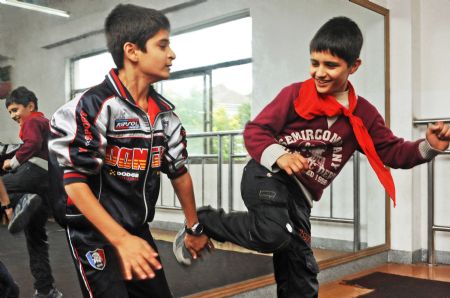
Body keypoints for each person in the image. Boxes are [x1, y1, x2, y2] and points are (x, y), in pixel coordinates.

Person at [174, 16, 450, 297]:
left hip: (300, 198)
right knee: (273, 233)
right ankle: (206, 220)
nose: (319, 72)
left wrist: (429, 145)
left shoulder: (362, 114)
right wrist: (280, 156)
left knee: (301, 270)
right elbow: (256, 131)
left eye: (331, 65)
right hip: (267, 177)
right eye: (314, 63)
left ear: (354, 66)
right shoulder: (294, 95)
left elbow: (393, 152)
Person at [48, 4, 210, 298]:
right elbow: (74, 183)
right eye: (162, 45)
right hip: (93, 233)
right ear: (132, 51)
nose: (172, 54)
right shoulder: (94, 106)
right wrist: (120, 239)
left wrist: (194, 227)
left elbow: (179, 172)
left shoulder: (165, 116)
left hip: (136, 228)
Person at [2, 87, 62, 298]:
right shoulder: (46, 123)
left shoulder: (32, 121)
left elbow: (33, 144)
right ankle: (46, 289)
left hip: (34, 172)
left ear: (31, 106)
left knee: (1, 184)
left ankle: (21, 200)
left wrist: (12, 162)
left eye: (15, 109)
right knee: (37, 240)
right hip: (47, 183)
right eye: (9, 112)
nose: (13, 115)